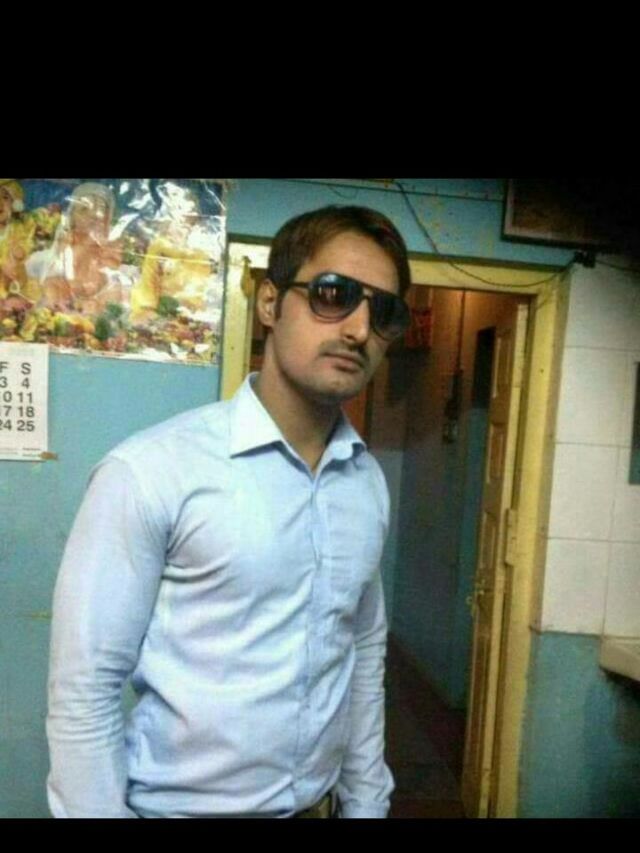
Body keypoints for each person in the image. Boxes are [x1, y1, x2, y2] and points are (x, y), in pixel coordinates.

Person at [46, 204, 412, 818]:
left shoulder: (366, 483)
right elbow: (84, 691)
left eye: (384, 312)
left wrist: (367, 804)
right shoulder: (151, 471)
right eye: (333, 294)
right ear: (269, 303)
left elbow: (362, 655)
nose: (358, 329)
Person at [26, 182, 126, 314]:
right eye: (84, 209)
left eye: (101, 210)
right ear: (72, 216)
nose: (94, 216)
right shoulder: (54, 254)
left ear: (108, 219)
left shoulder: (113, 256)